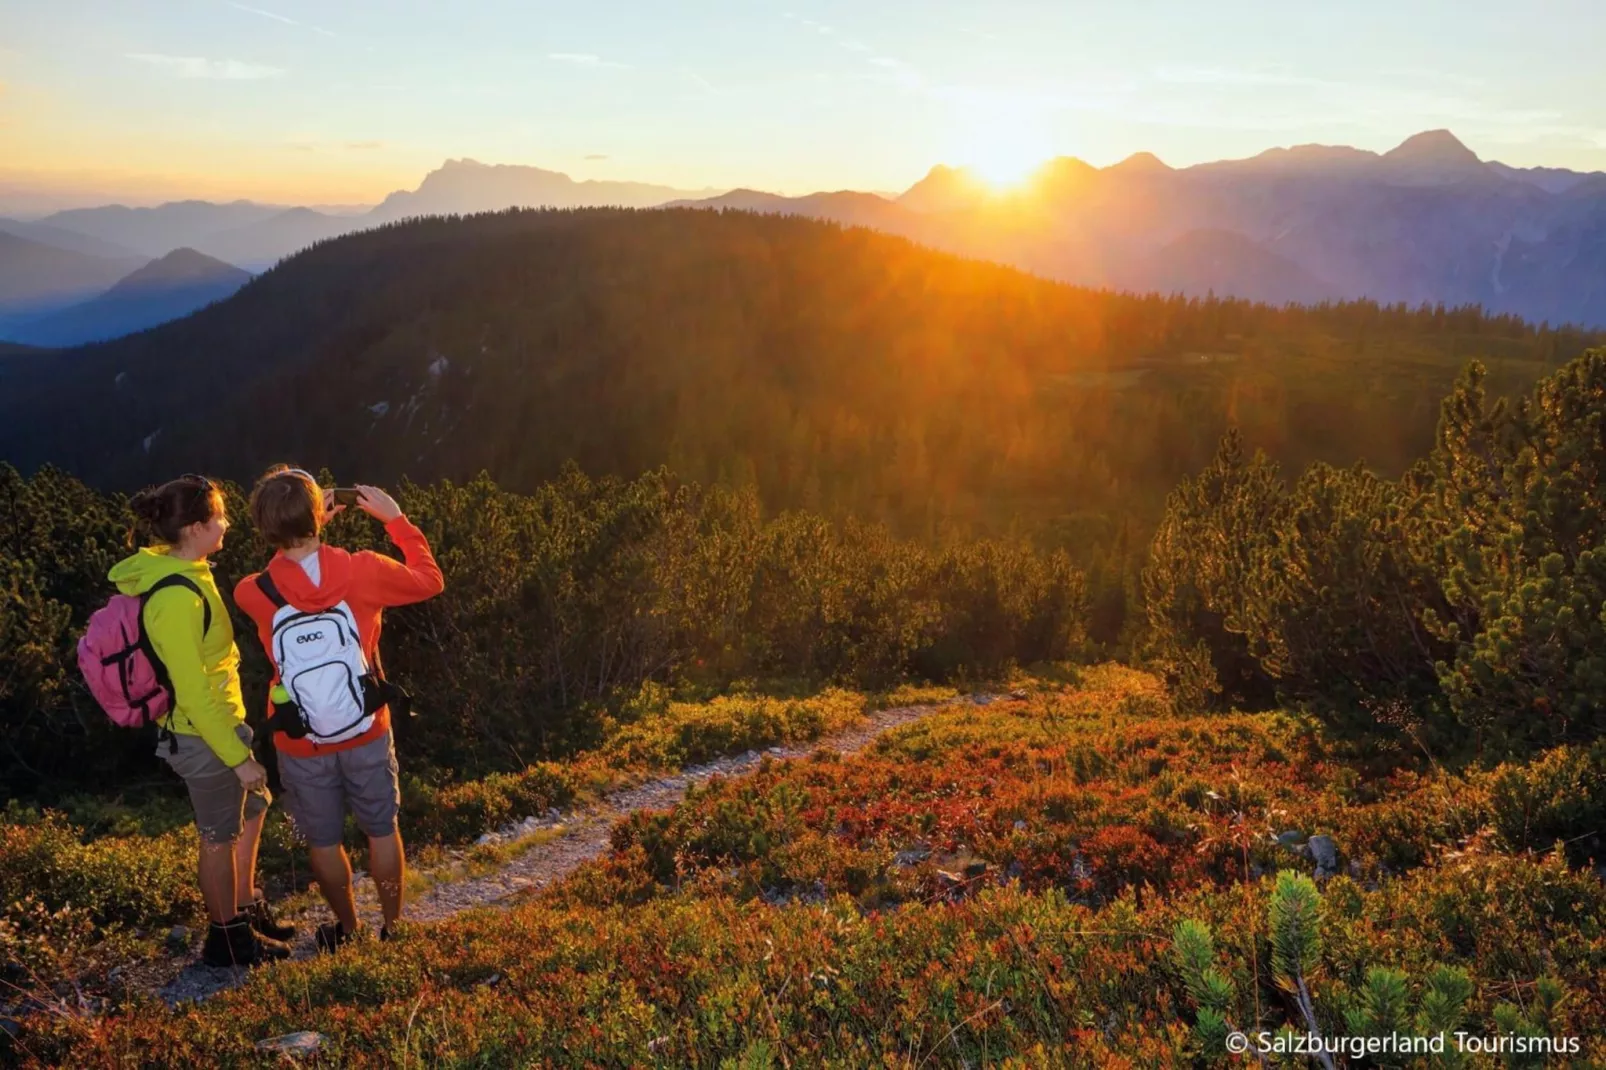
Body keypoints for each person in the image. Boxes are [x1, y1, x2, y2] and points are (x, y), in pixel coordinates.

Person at [234, 467, 443, 951]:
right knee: (381, 829)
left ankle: (348, 929)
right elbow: (429, 579)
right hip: (367, 725)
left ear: (267, 528)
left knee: (324, 842)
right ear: (318, 517)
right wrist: (396, 521)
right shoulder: (364, 568)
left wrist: (300, 528)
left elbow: (281, 574)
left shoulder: (254, 592)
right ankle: (393, 927)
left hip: (300, 739)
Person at [111, 474, 295, 967]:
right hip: (201, 736)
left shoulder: (192, 570)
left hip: (220, 724)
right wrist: (237, 758)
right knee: (219, 838)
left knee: (254, 809)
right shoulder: (176, 598)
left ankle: (244, 907)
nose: (226, 523)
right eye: (218, 517)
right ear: (194, 528)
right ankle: (226, 939)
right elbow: (191, 692)